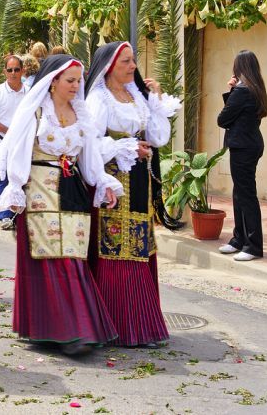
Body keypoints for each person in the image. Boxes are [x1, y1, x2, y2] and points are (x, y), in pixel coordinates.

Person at [0, 54, 122, 354]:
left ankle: (72, 327)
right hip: (40, 185)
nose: (76, 86)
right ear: (53, 82)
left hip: (71, 187)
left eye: (79, 80)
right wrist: (15, 187)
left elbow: (88, 155)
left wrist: (101, 182)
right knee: (52, 254)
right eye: (70, 80)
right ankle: (69, 330)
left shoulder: (81, 114)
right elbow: (15, 149)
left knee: (74, 254)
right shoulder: (36, 112)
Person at [85, 41, 181, 348]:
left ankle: (142, 323)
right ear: (110, 67)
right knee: (117, 247)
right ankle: (121, 326)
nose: (133, 66)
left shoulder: (136, 95)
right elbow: (89, 145)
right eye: (126, 61)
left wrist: (156, 102)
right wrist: (124, 147)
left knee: (139, 246)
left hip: (139, 179)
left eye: (133, 61)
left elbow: (157, 136)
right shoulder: (99, 99)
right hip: (113, 182)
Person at [217, 50, 267, 261]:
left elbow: (223, 119)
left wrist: (231, 90)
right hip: (251, 145)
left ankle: (253, 246)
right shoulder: (256, 88)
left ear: (239, 68)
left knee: (245, 195)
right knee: (240, 193)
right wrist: (232, 90)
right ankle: (239, 240)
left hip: (243, 147)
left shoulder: (242, 91)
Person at [0, 55, 28, 230]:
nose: (13, 73)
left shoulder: (29, 92)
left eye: (17, 69)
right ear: (4, 72)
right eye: (10, 70)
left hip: (23, 144)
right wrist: (9, 132)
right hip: (1, 142)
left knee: (22, 177)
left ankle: (19, 215)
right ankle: (4, 215)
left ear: (22, 71)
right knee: (3, 178)